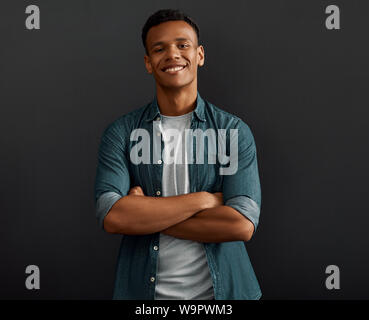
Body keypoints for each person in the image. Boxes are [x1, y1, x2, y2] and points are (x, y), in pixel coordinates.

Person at [94, 9, 262, 300]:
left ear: (199, 55)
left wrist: (146, 212)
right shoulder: (121, 133)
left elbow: (241, 223)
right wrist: (203, 200)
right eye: (159, 48)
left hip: (224, 296)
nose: (172, 54)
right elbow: (112, 215)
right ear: (148, 62)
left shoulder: (232, 131)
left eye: (183, 45)